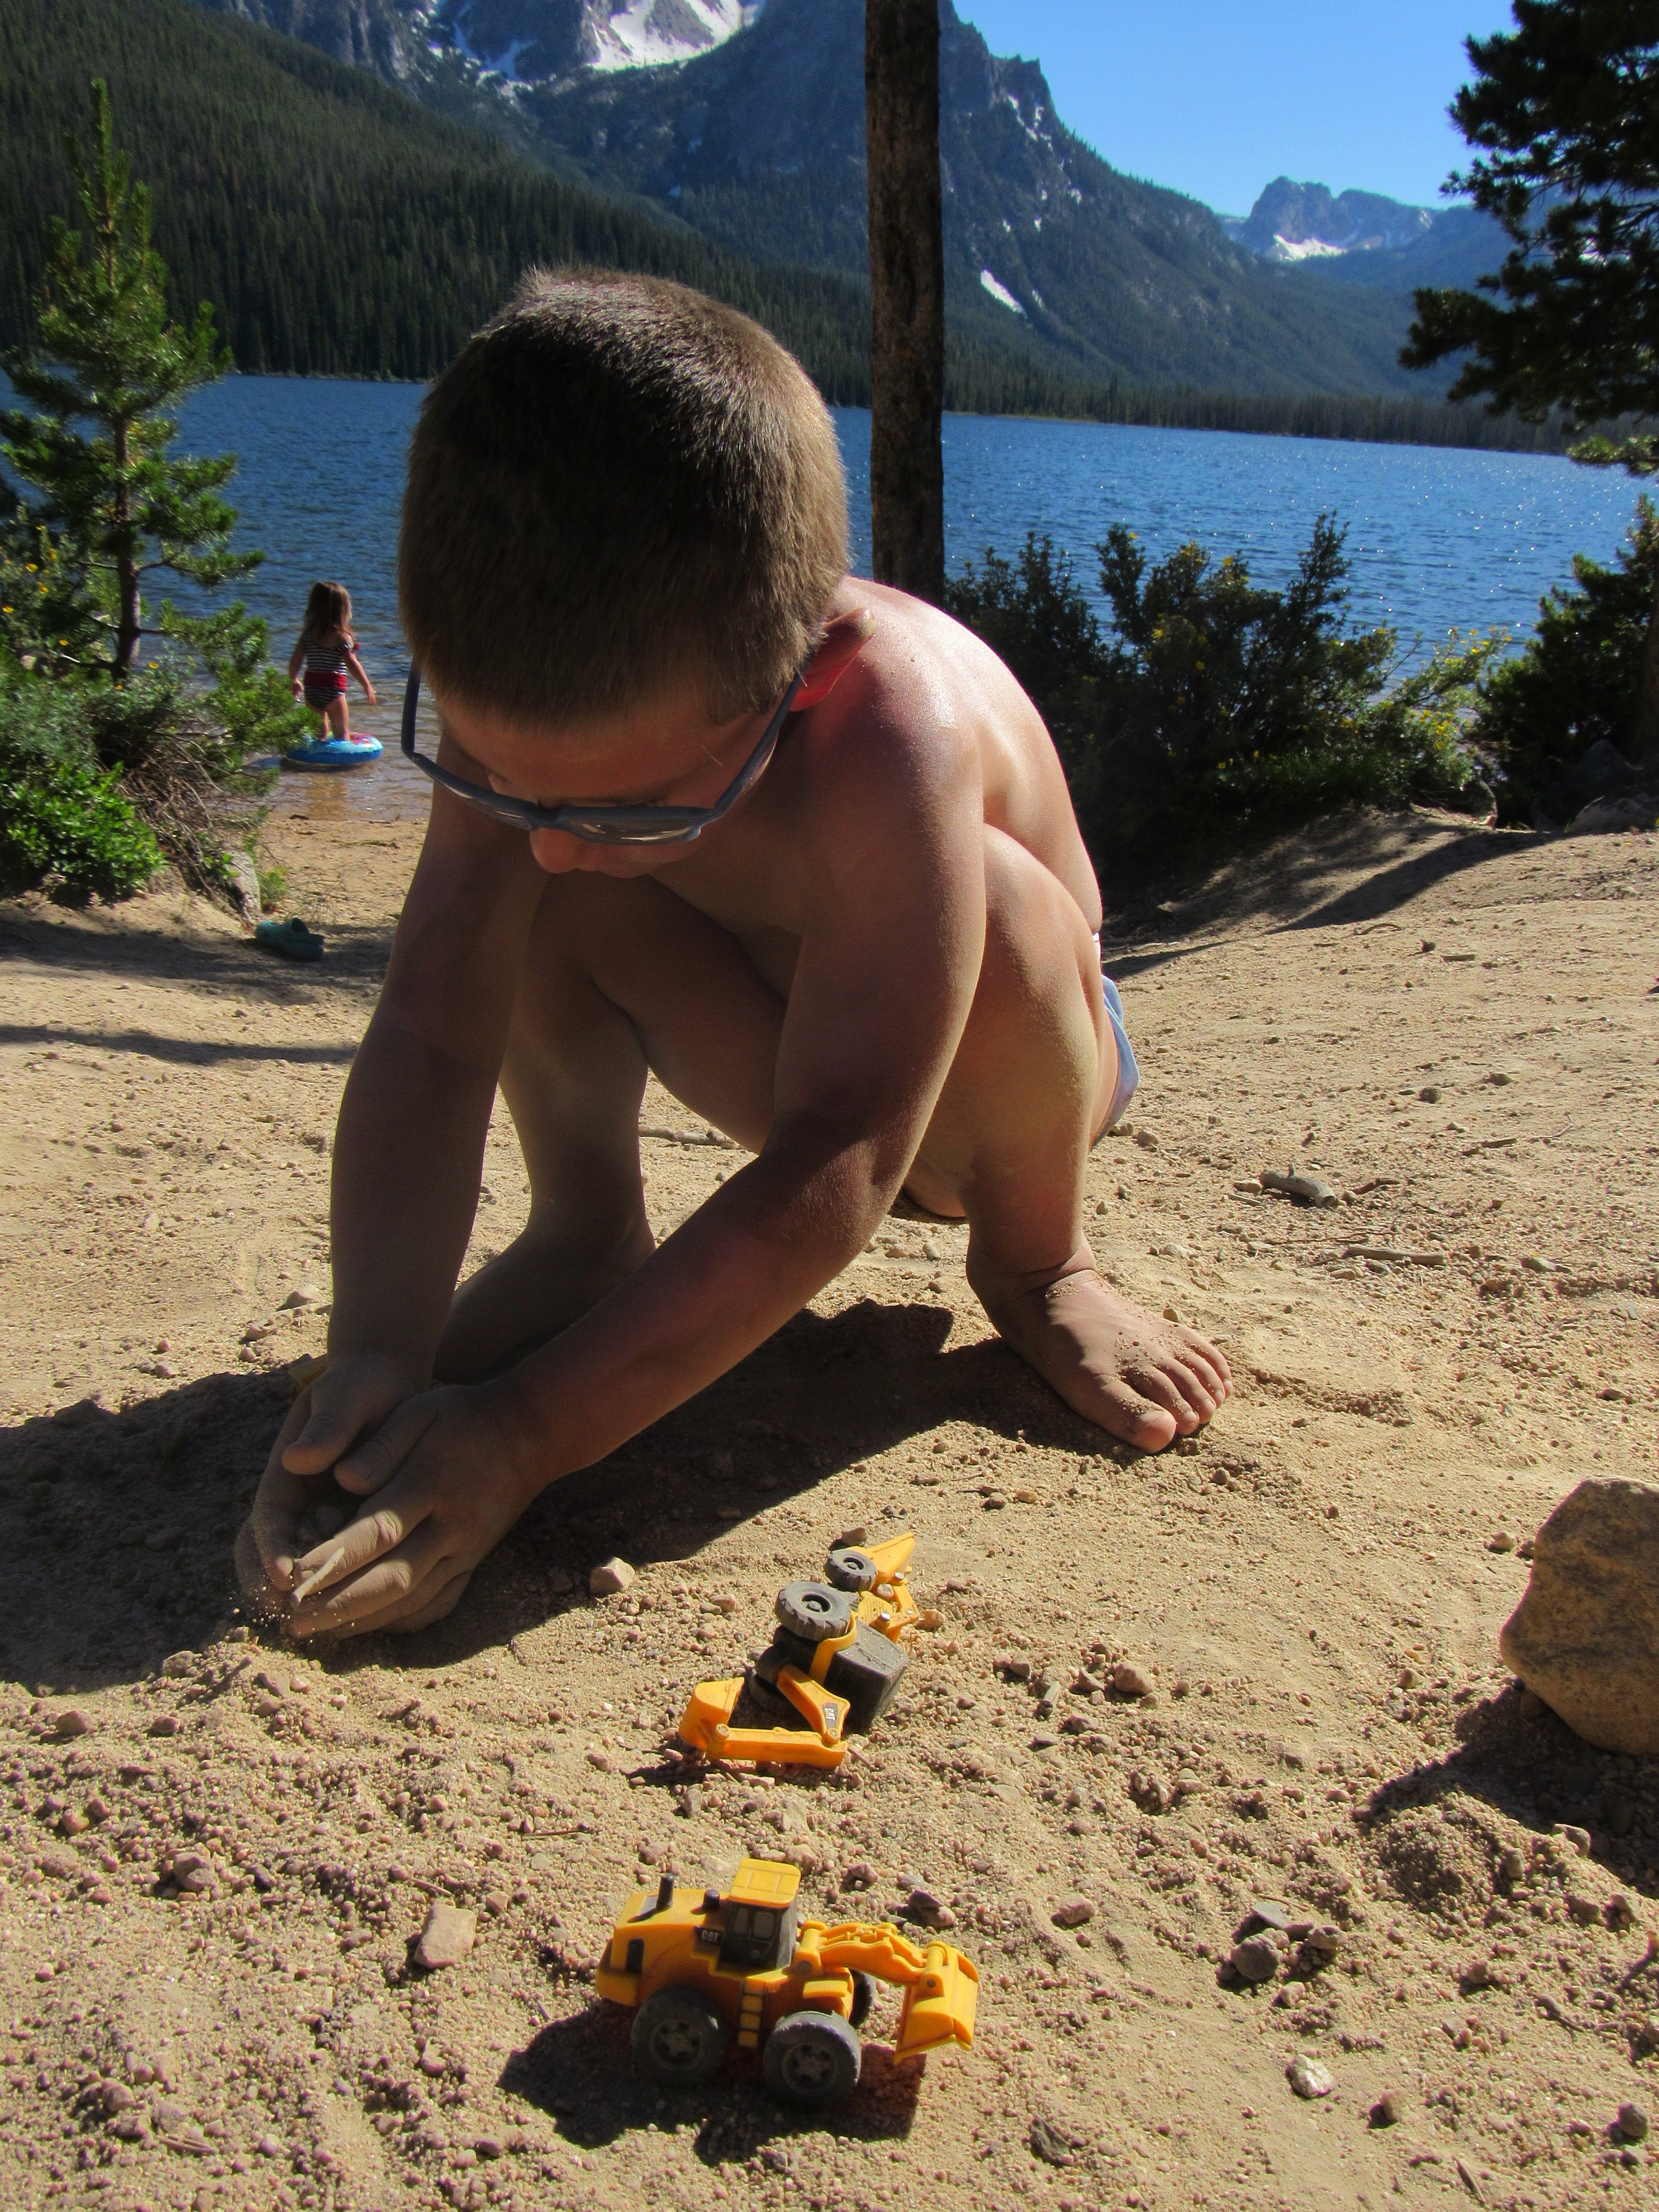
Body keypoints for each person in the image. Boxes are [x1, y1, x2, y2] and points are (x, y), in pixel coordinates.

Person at [238, 270, 1232, 1641]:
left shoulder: (893, 728)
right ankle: (585, 1239)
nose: (563, 838)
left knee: (1001, 906)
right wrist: (379, 1353)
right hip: (771, 1027)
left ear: (798, 686)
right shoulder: (527, 674)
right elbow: (432, 1021)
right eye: (508, 776)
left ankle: (1040, 1264)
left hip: (983, 1088)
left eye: (629, 803)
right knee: (520, 893)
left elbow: (843, 1156)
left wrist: (526, 1432)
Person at [288, 581, 377, 740]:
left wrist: (294, 680)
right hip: (333, 690)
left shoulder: (308, 634)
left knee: (319, 734)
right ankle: (344, 764)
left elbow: (296, 659)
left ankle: (317, 757)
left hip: (312, 690)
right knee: (342, 734)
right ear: (343, 610)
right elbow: (352, 664)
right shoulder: (341, 637)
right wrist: (367, 685)